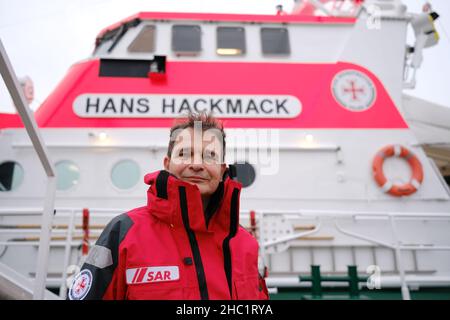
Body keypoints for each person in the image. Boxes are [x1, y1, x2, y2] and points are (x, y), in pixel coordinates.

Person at [68, 112, 269, 300]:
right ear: (167, 163)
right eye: (184, 153)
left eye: (210, 156)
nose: (197, 164)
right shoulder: (122, 232)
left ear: (222, 168)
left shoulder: (245, 243)